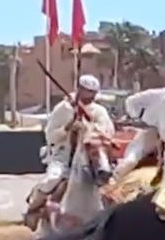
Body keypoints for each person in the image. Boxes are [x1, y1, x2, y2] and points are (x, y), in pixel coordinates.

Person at [24, 74, 116, 228]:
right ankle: (33, 209)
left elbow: (109, 132)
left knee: (111, 182)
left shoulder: (99, 111)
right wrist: (68, 127)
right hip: (63, 155)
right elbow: (50, 135)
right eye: (87, 91)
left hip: (90, 156)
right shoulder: (63, 108)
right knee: (53, 179)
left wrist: (91, 127)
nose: (90, 96)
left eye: (93, 92)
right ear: (79, 89)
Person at [113, 68, 165, 182]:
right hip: (152, 132)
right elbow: (130, 101)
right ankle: (114, 180)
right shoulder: (155, 94)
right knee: (131, 159)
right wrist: (137, 116)